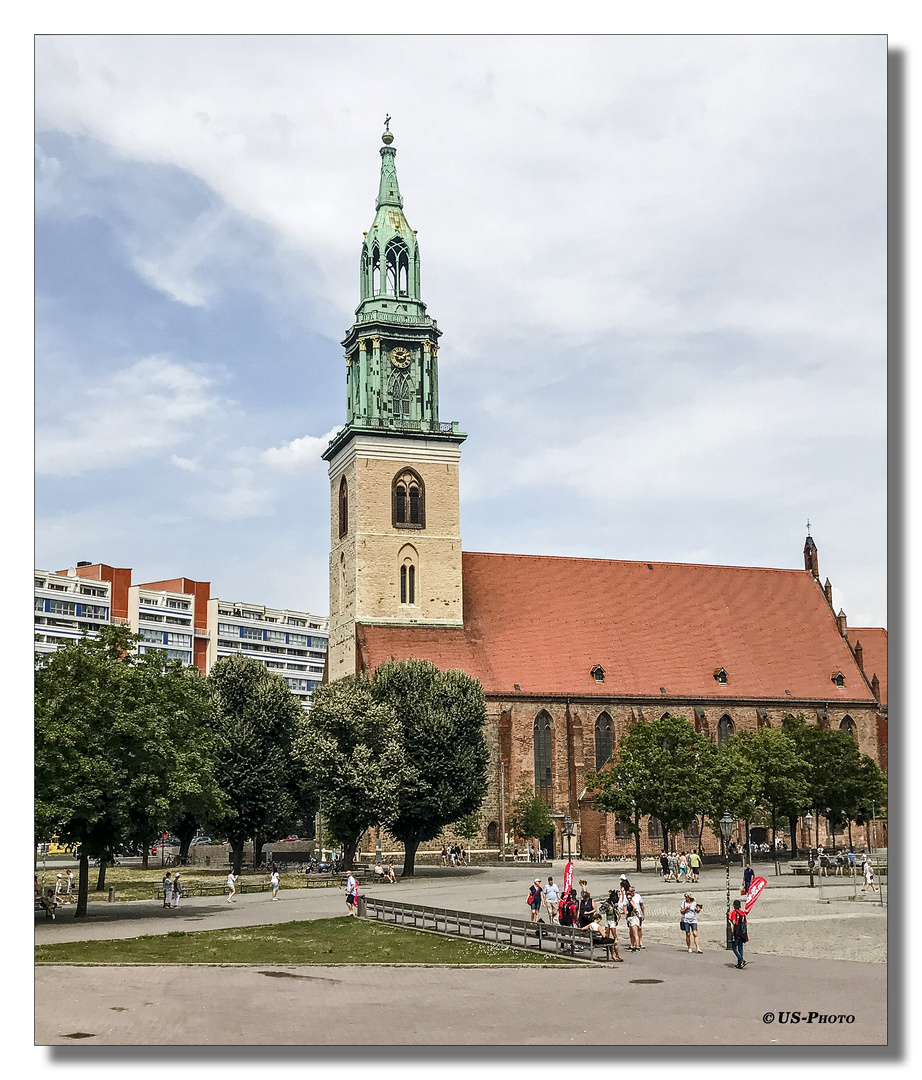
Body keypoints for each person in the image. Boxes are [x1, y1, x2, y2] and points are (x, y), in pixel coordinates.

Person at [599, 890, 623, 962]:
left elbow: (619, 914)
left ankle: (616, 953)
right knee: (607, 935)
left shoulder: (613, 907)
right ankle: (611, 951)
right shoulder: (607, 906)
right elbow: (601, 910)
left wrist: (616, 921)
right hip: (607, 921)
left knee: (614, 936)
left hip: (612, 921)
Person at [729, 899, 748, 968]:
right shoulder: (742, 913)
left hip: (736, 932)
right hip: (742, 932)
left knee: (734, 947)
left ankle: (741, 960)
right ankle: (740, 963)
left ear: (734, 906)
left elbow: (734, 922)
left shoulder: (734, 912)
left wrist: (729, 918)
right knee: (740, 947)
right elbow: (746, 922)